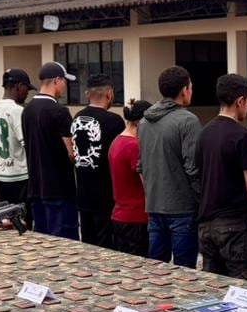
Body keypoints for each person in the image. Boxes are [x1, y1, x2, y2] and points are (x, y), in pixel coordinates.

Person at [196, 74, 247, 283]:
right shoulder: (243, 136)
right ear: (240, 101)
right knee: (246, 289)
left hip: (207, 225)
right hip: (236, 225)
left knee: (215, 289)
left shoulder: (204, 133)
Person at [137, 66, 201, 267]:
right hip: (182, 207)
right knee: (185, 271)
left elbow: (141, 166)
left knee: (157, 269)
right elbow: (193, 168)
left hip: (154, 205)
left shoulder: (144, 122)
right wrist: (202, 200)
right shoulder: (188, 121)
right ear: (184, 90)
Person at [21, 61, 78, 239]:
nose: (65, 86)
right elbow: (71, 152)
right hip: (59, 189)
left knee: (42, 239)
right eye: (64, 81)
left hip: (36, 187)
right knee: (63, 241)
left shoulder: (27, 110)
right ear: (56, 80)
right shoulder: (59, 111)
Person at [70, 73, 125, 248]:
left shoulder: (77, 118)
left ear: (87, 94)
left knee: (88, 243)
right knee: (106, 244)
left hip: (83, 193)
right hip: (106, 195)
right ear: (110, 94)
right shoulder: (114, 121)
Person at [108, 99, 151, 257]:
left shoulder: (116, 142)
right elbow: (147, 183)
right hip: (137, 217)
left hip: (119, 215)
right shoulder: (134, 146)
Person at [0, 68, 31, 217]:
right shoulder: (16, 110)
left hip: (1, 175)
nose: (27, 93)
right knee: (23, 220)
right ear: (19, 86)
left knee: (7, 219)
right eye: (27, 88)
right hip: (20, 176)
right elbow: (28, 144)